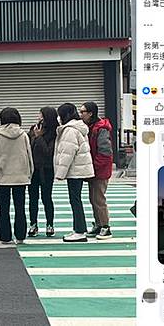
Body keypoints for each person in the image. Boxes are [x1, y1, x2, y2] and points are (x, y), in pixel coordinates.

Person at [0, 107, 33, 244]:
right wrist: (29, 172)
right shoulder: (23, 135)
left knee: (4, 208)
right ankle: (20, 236)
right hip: (20, 177)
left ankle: (5, 237)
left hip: (2, 177)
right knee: (20, 207)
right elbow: (29, 155)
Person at [54, 103, 94, 243]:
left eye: (60, 115)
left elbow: (68, 153)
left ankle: (79, 231)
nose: (58, 118)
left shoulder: (70, 130)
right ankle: (79, 229)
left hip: (75, 170)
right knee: (76, 199)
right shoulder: (78, 127)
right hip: (79, 169)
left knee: (75, 200)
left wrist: (60, 173)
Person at [80, 102, 114, 240]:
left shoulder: (101, 129)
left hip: (100, 170)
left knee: (99, 199)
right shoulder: (91, 127)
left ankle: (106, 226)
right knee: (93, 199)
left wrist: (94, 166)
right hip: (94, 169)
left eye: (83, 112)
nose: (80, 114)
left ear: (90, 113)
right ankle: (99, 224)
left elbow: (105, 152)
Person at [27, 106, 58, 238]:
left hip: (46, 169)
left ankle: (50, 224)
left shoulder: (54, 132)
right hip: (34, 169)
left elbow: (48, 152)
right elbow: (28, 147)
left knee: (47, 198)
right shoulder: (33, 129)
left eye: (41, 114)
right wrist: (35, 136)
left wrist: (39, 137)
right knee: (33, 198)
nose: (38, 117)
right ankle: (33, 224)